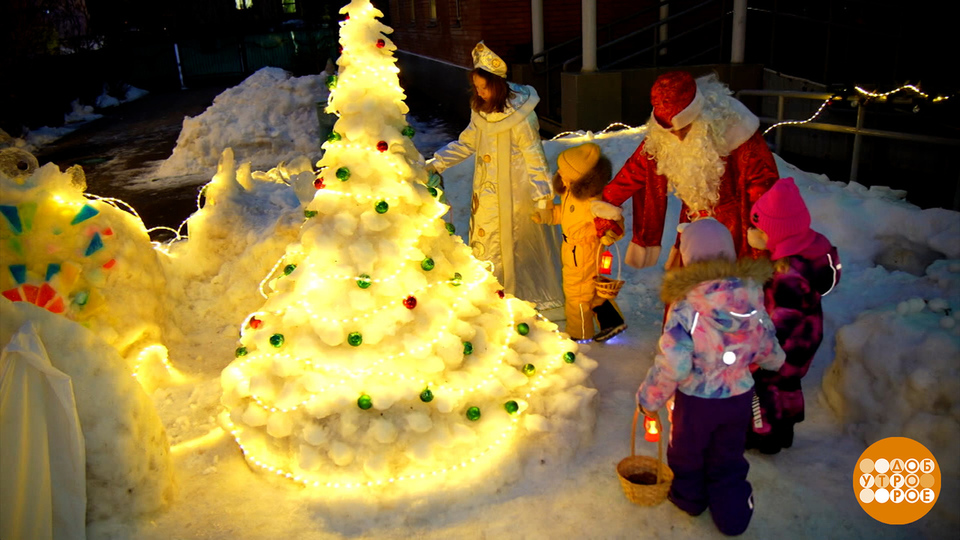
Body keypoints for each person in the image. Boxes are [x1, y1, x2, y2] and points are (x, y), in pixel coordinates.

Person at [636, 218, 785, 536]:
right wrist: (775, 360)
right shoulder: (751, 296)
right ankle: (732, 513)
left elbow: (673, 364)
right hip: (739, 397)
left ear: (689, 259)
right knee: (728, 455)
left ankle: (689, 499)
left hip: (697, 401)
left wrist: (650, 398)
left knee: (687, 453)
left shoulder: (687, 307)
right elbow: (766, 342)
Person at [592, 71, 779, 270]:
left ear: (700, 114)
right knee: (689, 288)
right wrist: (606, 206)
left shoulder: (736, 128)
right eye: (670, 131)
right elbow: (635, 170)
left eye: (685, 127)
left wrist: (760, 236)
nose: (678, 135)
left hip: (734, 231)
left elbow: (764, 183)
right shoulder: (664, 135)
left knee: (727, 291)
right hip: (692, 230)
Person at [427, 42, 563, 313]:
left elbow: (533, 154)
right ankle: (491, 289)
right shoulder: (481, 110)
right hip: (487, 190)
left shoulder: (521, 114)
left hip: (516, 192)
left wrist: (542, 195)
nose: (479, 92)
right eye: (476, 87)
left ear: (497, 86)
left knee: (516, 240)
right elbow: (467, 142)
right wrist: (438, 162)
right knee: (487, 235)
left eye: (483, 87)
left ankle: (516, 292)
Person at [745, 177, 842, 454]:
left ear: (778, 233)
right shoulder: (810, 249)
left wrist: (759, 350)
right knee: (788, 382)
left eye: (759, 230)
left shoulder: (788, 274)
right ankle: (786, 426)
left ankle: (765, 435)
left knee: (766, 385)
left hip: (785, 343)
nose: (754, 233)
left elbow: (780, 324)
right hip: (806, 335)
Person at [532, 142, 628, 342]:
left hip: (583, 251)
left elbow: (612, 220)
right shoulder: (570, 193)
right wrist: (548, 216)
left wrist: (610, 233)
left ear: (580, 178)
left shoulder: (590, 203)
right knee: (588, 288)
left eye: (564, 171)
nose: (559, 172)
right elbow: (566, 216)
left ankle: (579, 334)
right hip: (572, 248)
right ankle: (611, 320)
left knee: (577, 292)